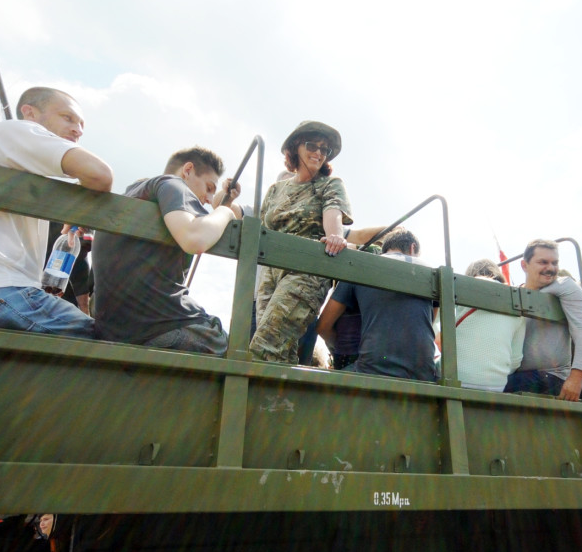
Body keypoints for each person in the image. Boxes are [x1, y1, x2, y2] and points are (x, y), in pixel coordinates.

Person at [0, 87, 113, 336]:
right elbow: (100, 174)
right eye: (67, 118)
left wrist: (76, 207)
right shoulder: (16, 130)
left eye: (81, 125)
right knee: (116, 344)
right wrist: (81, 206)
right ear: (30, 113)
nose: (77, 130)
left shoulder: (18, 163)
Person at [91, 147, 240, 354]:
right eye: (208, 187)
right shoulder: (171, 184)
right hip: (159, 329)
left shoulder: (131, 196)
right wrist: (225, 211)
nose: (207, 198)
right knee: (231, 346)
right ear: (187, 170)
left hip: (113, 332)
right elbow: (194, 238)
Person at [249, 121, 352, 363]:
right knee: (279, 350)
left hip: (306, 272)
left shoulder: (329, 185)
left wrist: (335, 235)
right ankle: (281, 402)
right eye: (312, 145)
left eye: (324, 149)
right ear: (295, 147)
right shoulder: (276, 190)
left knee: (265, 346)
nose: (318, 152)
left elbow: (333, 214)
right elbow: (264, 229)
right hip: (270, 275)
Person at [316, 228, 437, 381]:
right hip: (424, 376)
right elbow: (429, 323)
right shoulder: (433, 273)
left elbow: (322, 327)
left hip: (371, 371)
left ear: (384, 250)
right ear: (413, 248)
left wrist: (343, 350)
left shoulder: (361, 267)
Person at [504, 240, 582, 400]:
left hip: (551, 376)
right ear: (524, 265)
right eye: (543, 262)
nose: (551, 268)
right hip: (518, 374)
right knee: (484, 381)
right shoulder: (514, 293)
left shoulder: (565, 286)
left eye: (555, 263)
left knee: (495, 389)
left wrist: (576, 378)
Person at [453, 259, 526, 392]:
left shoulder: (462, 288)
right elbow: (515, 360)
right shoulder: (518, 303)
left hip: (454, 379)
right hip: (494, 386)